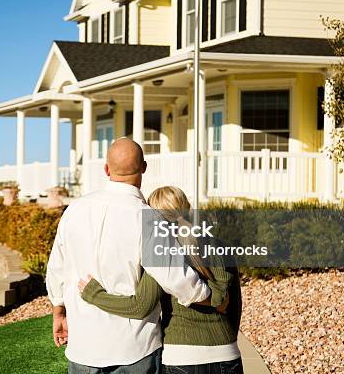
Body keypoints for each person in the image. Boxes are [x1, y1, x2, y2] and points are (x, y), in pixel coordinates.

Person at [46, 138, 212, 374]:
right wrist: (211, 298)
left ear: (106, 170)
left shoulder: (74, 210)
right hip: (134, 349)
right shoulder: (147, 217)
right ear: (144, 167)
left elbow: (56, 269)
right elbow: (176, 277)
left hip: (83, 347)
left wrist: (58, 311)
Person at [79, 186, 243, 374]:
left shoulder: (162, 253)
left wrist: (94, 295)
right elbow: (234, 305)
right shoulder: (220, 246)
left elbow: (140, 306)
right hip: (227, 352)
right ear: (187, 207)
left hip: (181, 357)